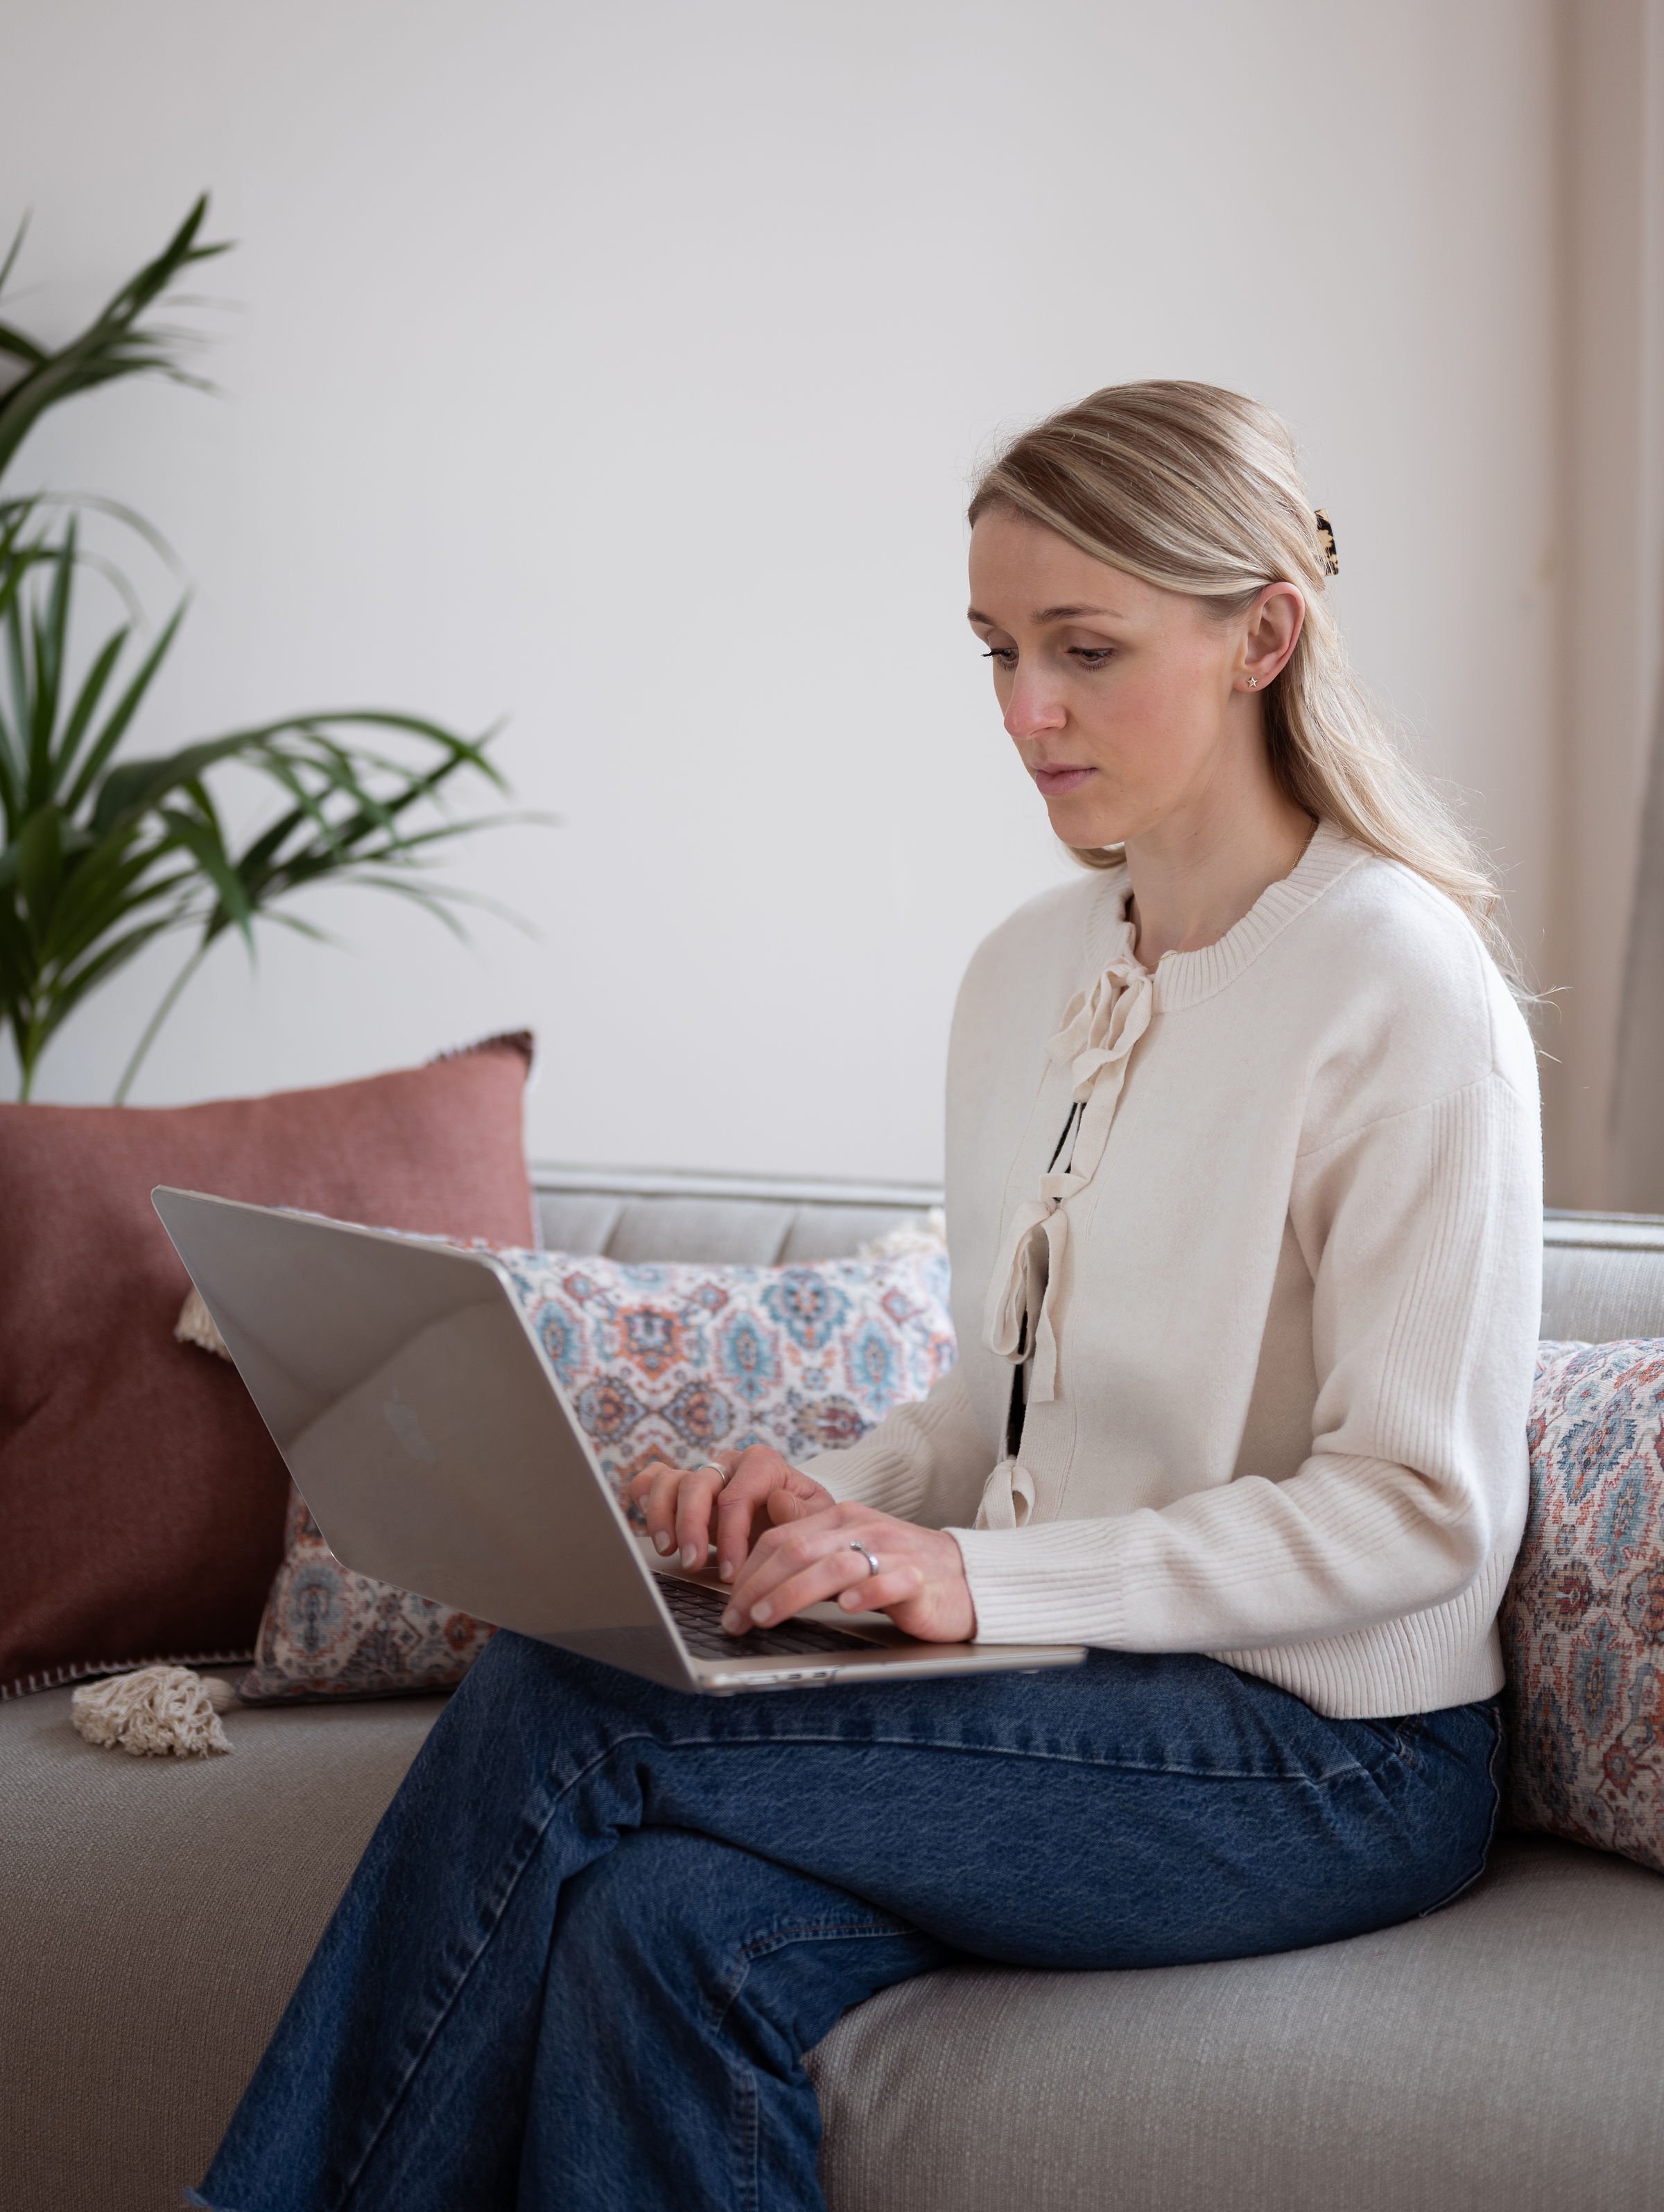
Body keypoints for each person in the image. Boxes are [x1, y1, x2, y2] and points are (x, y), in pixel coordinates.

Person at [191, 382, 1541, 2212]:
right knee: (660, 1932)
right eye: (996, 651)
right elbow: (999, 1394)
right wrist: (841, 1499)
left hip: (1329, 1761)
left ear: (1263, 638)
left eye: (1083, 649)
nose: (1024, 713)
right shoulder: (1022, 976)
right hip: (1078, 1684)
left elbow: (1417, 1508)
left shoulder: (1403, 986)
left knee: (566, 1707)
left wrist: (974, 1575)